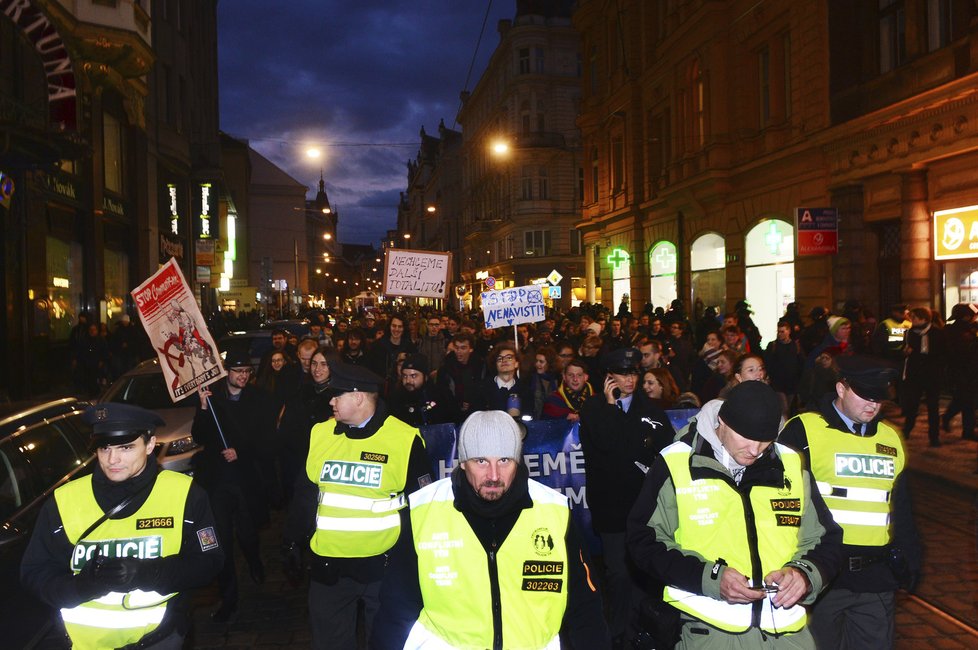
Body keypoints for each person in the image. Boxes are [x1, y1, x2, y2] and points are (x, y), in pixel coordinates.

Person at [626, 381, 842, 649]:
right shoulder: (677, 463)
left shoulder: (790, 465)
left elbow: (828, 539)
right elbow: (643, 542)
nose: (755, 450)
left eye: (765, 441)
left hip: (788, 637)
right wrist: (710, 577)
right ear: (722, 423)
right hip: (707, 634)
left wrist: (804, 575)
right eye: (747, 439)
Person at [373, 410, 611, 648]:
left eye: (504, 460)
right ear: (464, 462)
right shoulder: (423, 510)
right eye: (481, 461)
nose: (494, 475)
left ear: (517, 460)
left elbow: (585, 607)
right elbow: (395, 608)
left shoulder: (554, 511)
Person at [21, 404, 224, 648]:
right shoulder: (64, 501)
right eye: (104, 447)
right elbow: (34, 574)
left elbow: (209, 564)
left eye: (125, 447)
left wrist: (147, 573)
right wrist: (81, 586)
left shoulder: (186, 494)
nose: (112, 459)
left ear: (150, 445)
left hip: (160, 640)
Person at [283, 363, 432, 649]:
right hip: (329, 569)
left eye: (337, 395)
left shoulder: (404, 439)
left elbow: (422, 505)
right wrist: (291, 541)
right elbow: (305, 492)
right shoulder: (321, 433)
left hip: (384, 569)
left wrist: (417, 562)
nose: (330, 401)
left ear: (360, 397)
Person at [779, 355, 922, 650]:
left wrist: (911, 559)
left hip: (875, 578)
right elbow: (779, 502)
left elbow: (901, 505)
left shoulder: (891, 438)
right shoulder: (803, 430)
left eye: (879, 398)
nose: (873, 404)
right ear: (841, 388)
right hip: (819, 576)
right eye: (865, 395)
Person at [578, 347, 677, 645]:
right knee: (619, 574)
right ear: (609, 376)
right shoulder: (594, 409)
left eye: (634, 372)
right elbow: (606, 446)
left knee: (645, 572)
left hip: (645, 506)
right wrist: (610, 406)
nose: (630, 379)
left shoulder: (651, 410)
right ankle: (619, 634)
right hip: (611, 507)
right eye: (623, 373)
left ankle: (644, 631)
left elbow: (668, 451)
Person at [191, 353, 272, 622]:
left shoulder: (259, 398)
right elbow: (199, 436)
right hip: (218, 483)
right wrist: (203, 407)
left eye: (248, 371)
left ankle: (254, 560)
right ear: (227, 372)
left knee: (248, 534)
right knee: (222, 541)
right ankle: (229, 598)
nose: (244, 376)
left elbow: (266, 438)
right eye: (238, 371)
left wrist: (241, 451)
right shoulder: (212, 399)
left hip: (245, 479)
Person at [277, 346, 337, 507]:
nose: (317, 369)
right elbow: (286, 428)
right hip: (299, 463)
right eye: (314, 364)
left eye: (324, 364)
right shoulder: (302, 391)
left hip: (328, 466)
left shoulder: (341, 395)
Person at [900, 307, 945, 446]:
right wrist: (905, 352)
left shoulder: (937, 333)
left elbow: (942, 354)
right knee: (912, 405)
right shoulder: (909, 333)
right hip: (915, 375)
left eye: (914, 318)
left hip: (932, 375)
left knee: (933, 407)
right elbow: (904, 350)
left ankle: (934, 437)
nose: (911, 321)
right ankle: (907, 430)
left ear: (924, 319)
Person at [387, 353, 460, 427]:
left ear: (425, 377)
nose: (408, 380)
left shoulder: (441, 396)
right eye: (405, 376)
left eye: (414, 376)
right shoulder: (396, 398)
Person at [436, 332, 486, 422]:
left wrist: (471, 402)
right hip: (452, 416)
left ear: (471, 349)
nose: (459, 351)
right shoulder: (446, 368)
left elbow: (483, 390)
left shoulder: (481, 366)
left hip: (477, 415)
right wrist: (457, 404)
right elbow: (442, 393)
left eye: (463, 348)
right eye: (456, 347)